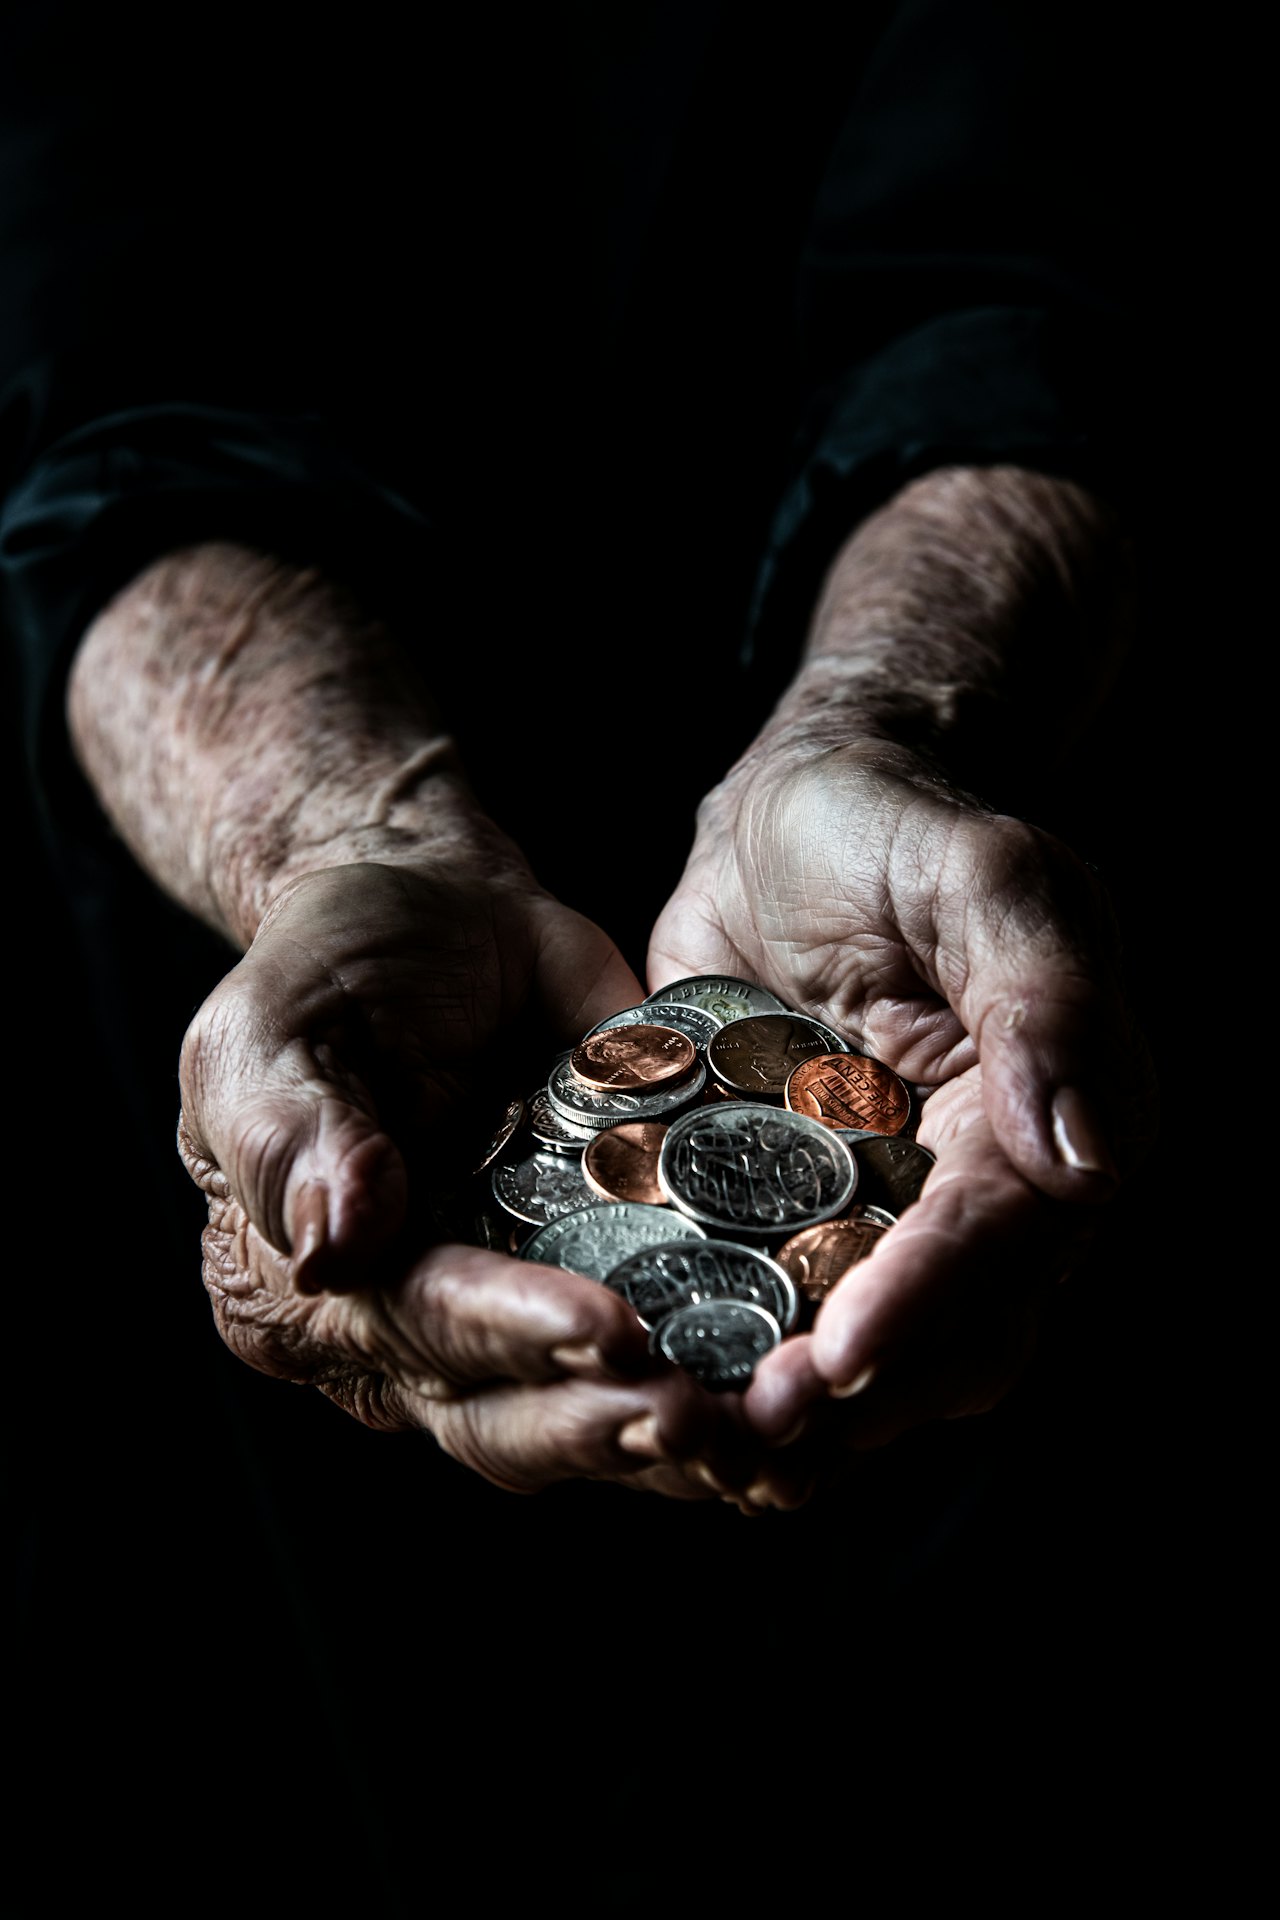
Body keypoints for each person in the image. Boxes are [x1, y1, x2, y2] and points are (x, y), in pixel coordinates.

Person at [6, 1, 1170, 1900]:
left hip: (1005, 937)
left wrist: (880, 722)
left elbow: (1028, 273)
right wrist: (338, 828)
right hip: (212, 1167)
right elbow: (90, 385)